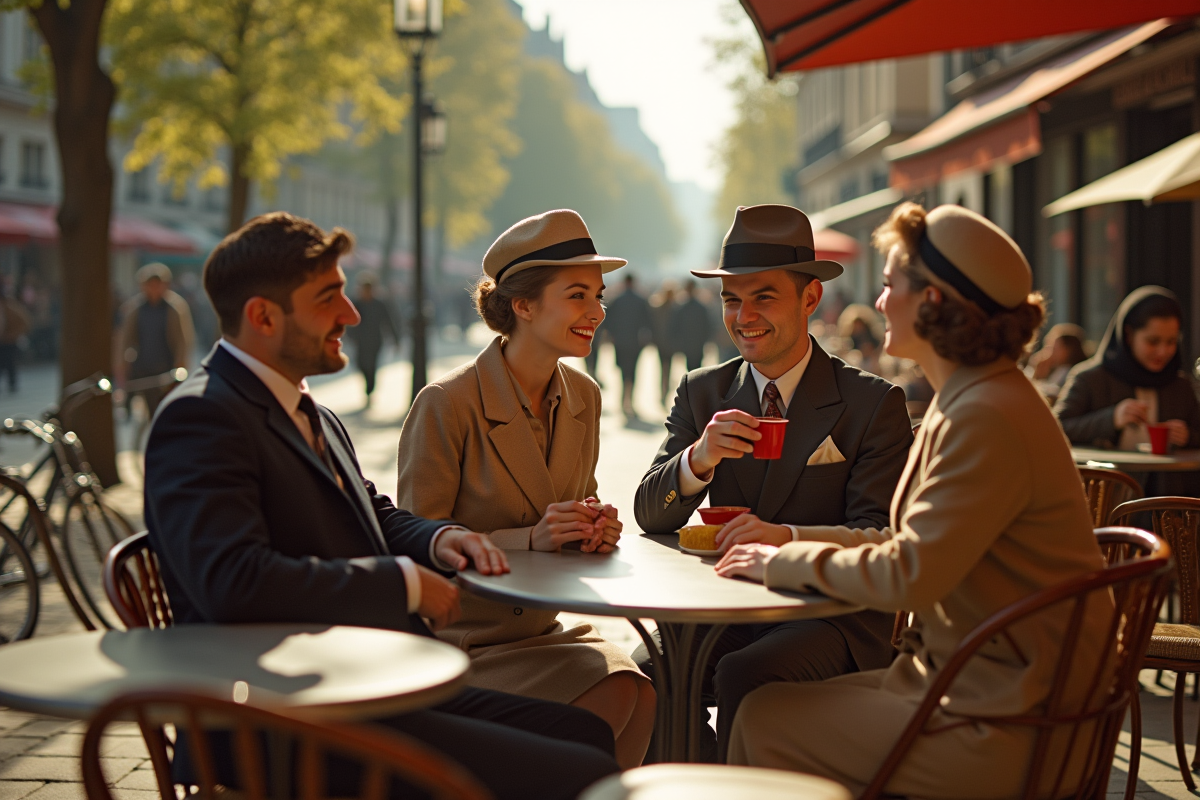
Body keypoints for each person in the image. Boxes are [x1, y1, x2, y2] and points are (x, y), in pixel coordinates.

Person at [144, 212, 620, 800]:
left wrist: (439, 540)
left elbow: (374, 513)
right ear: (263, 317)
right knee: (578, 772)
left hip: (361, 684)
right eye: (329, 300)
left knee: (588, 734)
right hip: (282, 717)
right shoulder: (202, 417)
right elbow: (233, 581)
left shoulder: (309, 410)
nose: (352, 315)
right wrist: (402, 583)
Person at [718, 203, 1110, 798]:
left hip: (1009, 722)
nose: (877, 304)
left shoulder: (983, 414)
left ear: (930, 303)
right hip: (974, 687)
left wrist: (779, 562)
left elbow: (910, 572)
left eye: (887, 285)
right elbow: (909, 549)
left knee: (761, 718)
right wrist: (789, 538)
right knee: (763, 701)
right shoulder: (980, 397)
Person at [633, 203, 913, 762]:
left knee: (745, 674)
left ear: (810, 298)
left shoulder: (872, 403)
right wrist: (698, 457)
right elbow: (649, 512)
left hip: (832, 614)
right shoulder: (702, 392)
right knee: (647, 671)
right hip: (727, 608)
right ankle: (707, 780)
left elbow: (878, 531)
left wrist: (782, 533)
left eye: (764, 297)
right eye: (731, 300)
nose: (744, 316)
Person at [396, 209, 655, 768]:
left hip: (543, 630)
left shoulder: (584, 396)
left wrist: (593, 527)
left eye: (599, 295)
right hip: (466, 638)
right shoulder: (446, 403)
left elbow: (573, 503)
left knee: (640, 688)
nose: (598, 312)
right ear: (524, 305)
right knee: (614, 694)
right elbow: (416, 544)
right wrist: (529, 540)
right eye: (579, 295)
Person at [1055, 286, 1200, 495]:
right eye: (1153, 341)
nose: (1163, 351)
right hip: (1104, 502)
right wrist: (1111, 418)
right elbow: (1058, 429)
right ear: (1129, 335)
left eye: (1171, 342)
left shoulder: (1179, 385)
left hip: (1166, 505)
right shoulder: (1091, 378)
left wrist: (1186, 436)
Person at [115, 263, 196, 416]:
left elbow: (183, 340)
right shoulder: (135, 309)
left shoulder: (174, 308)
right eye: (149, 284)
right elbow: (124, 341)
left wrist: (181, 366)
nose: (153, 288)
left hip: (166, 368)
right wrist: (121, 368)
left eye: (157, 284)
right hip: (143, 368)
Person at [604, 273, 654, 418]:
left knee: (622, 370)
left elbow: (608, 320)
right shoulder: (640, 300)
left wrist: (610, 335)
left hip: (619, 341)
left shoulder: (617, 299)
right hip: (635, 342)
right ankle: (629, 400)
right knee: (632, 371)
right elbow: (648, 321)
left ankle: (623, 399)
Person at [347, 274, 399, 405]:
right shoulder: (356, 303)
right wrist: (351, 336)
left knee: (372, 366)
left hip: (375, 341)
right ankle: (368, 384)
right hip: (361, 341)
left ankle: (370, 390)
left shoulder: (380, 304)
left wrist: (395, 339)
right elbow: (349, 322)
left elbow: (388, 321)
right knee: (360, 364)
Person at [1026, 322, 1088, 398]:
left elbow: (1053, 393)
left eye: (1054, 348)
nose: (1049, 353)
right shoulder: (1060, 370)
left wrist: (1036, 374)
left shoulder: (1070, 372)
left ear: (1067, 350)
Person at [669, 280, 712, 372]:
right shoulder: (701, 308)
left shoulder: (682, 308)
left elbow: (675, 327)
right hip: (697, 342)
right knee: (697, 368)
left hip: (689, 343)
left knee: (691, 368)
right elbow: (708, 326)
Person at [649, 281, 679, 407]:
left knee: (663, 368)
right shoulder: (676, 308)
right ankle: (665, 390)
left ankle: (664, 391)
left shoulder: (657, 307)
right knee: (668, 368)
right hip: (670, 344)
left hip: (661, 343)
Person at [0, 289, 30, 393]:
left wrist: (12, 335)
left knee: (10, 363)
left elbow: (25, 323)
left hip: (10, 342)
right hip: (2, 341)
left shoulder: (12, 308)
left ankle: (12, 384)